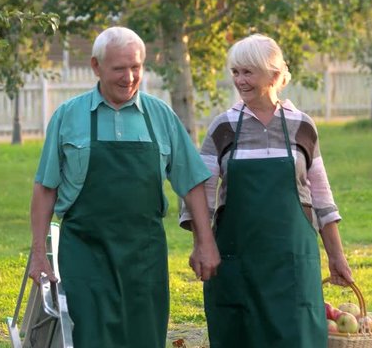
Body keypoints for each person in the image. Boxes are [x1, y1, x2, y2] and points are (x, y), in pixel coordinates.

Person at [28, 26, 220, 348]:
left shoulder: (161, 116)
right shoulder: (68, 117)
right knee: (90, 338)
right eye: (119, 68)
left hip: (144, 256)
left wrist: (205, 242)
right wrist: (38, 254)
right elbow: (45, 188)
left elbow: (192, 183)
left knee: (145, 337)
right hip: (85, 253)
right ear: (96, 66)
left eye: (136, 67)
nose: (129, 77)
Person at [179, 34, 354, 348]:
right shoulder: (223, 127)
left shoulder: (303, 126)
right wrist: (203, 245)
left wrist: (337, 257)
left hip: (293, 264)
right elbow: (200, 195)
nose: (240, 80)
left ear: (274, 75)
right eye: (236, 72)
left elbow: (322, 198)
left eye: (248, 72)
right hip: (238, 262)